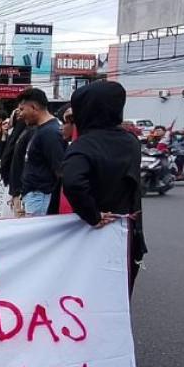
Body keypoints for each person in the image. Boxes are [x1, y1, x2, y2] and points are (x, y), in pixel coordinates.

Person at [62, 81, 146, 296]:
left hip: (94, 231)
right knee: (118, 293)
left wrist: (93, 215)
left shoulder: (84, 145)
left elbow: (73, 182)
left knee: (88, 293)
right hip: (128, 231)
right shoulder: (131, 141)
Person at [17, 88, 66, 216]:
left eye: (22, 109)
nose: (20, 114)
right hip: (34, 196)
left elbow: (60, 170)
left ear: (34, 107)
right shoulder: (40, 130)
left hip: (41, 197)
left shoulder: (51, 132)